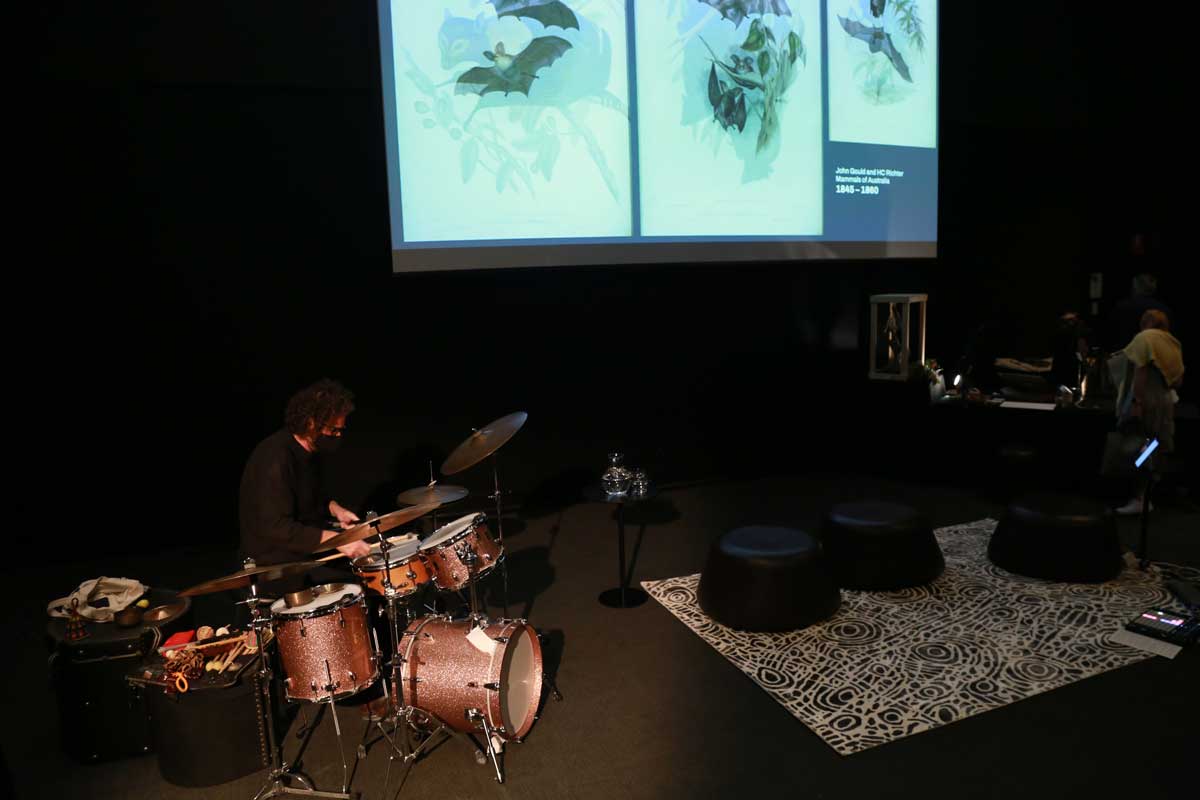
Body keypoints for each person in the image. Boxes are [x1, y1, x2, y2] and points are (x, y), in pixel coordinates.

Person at [239, 379, 370, 590]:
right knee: (355, 585)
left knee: (368, 562)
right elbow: (277, 528)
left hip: (305, 553)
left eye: (340, 430)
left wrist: (336, 510)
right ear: (310, 423)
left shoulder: (310, 452)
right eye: (333, 430)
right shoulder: (275, 458)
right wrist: (340, 541)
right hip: (277, 566)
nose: (338, 436)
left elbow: (310, 497)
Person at [1111, 310, 1184, 514]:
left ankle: (1138, 496)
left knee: (1138, 445)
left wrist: (1136, 402)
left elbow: (1139, 371)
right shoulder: (1172, 342)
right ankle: (1146, 493)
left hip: (1145, 400)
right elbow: (1178, 381)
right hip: (1164, 401)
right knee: (1154, 445)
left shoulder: (1144, 338)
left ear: (1147, 322)